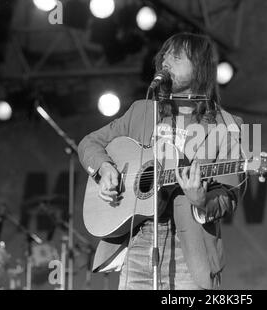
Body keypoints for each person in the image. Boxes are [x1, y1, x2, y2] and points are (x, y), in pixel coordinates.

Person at [78, 32, 245, 290]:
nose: (166, 61)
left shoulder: (228, 126)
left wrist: (201, 201)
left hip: (189, 250)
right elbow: (90, 143)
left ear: (200, 67)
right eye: (164, 56)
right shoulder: (142, 111)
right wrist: (105, 168)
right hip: (136, 243)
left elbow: (228, 195)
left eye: (176, 57)